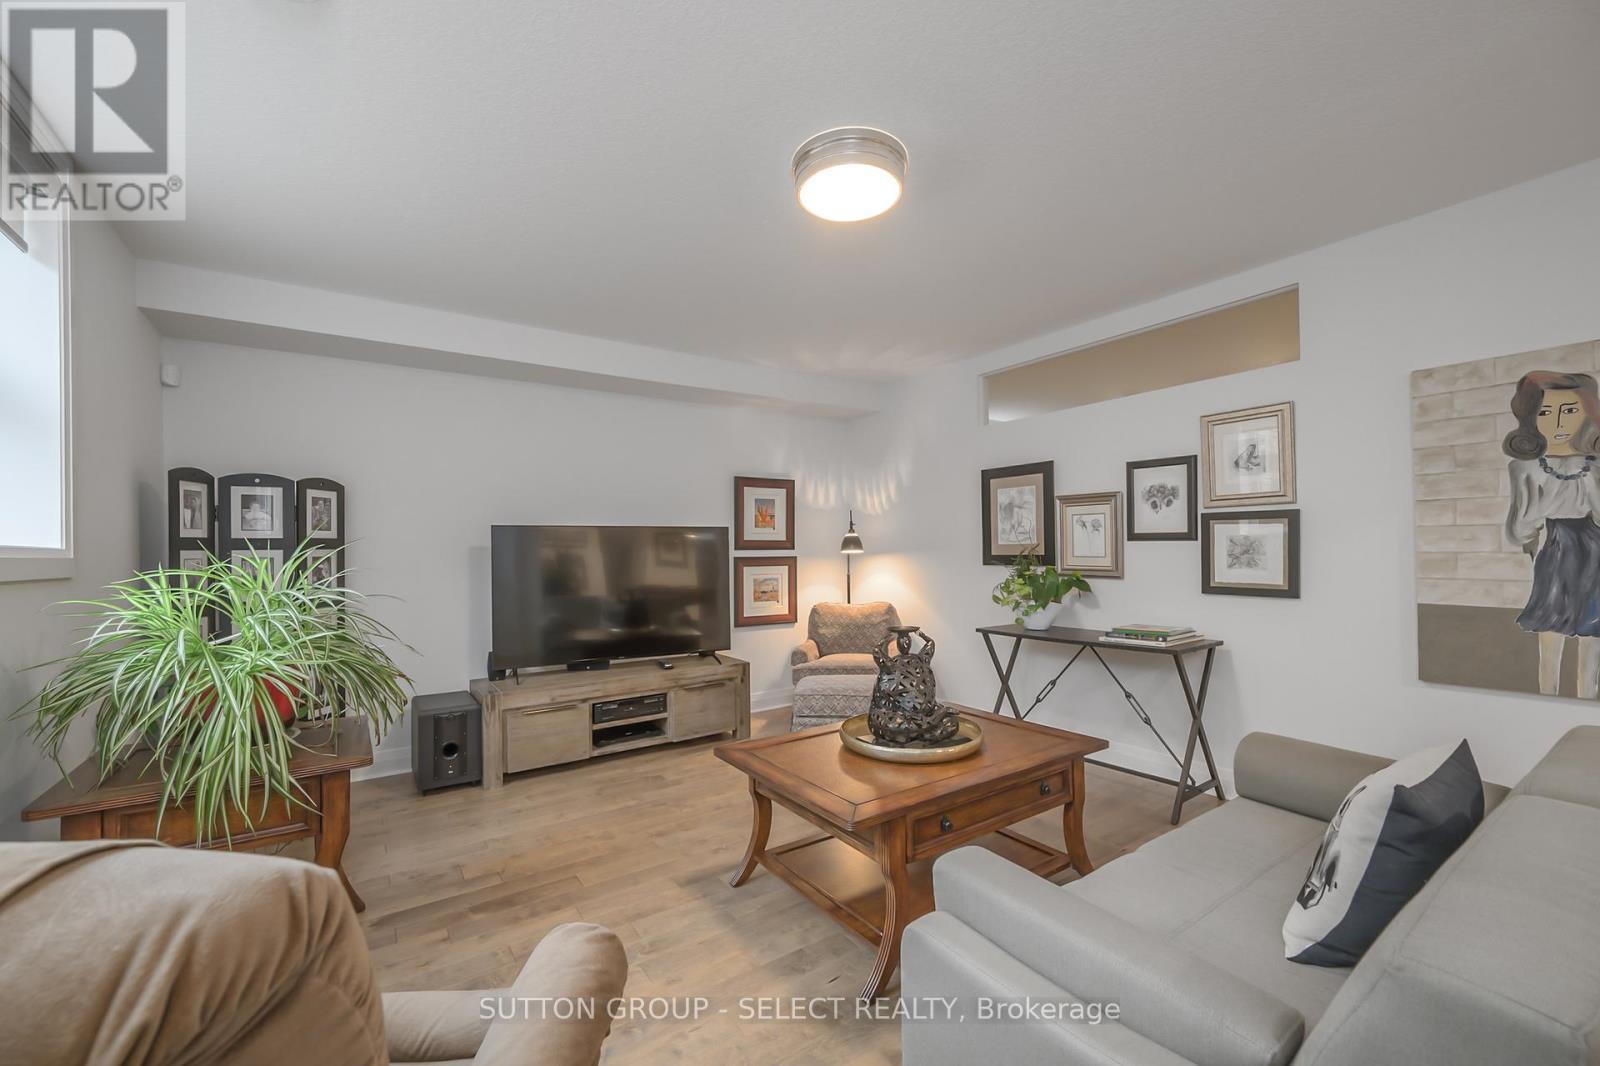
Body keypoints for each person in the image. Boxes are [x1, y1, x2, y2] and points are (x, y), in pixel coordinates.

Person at [1503, 371, 1600, 697]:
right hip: (1555, 548)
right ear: (1531, 417)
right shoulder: (1524, 467)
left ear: (1588, 412)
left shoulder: (1595, 465)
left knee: (1592, 634)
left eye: (1570, 411)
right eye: (1545, 412)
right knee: (1550, 630)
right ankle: (1546, 701)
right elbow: (1520, 527)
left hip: (1594, 549)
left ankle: (1588, 700)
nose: (1558, 423)